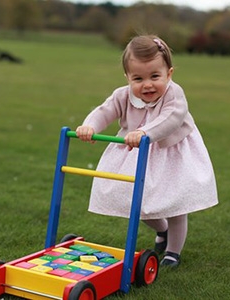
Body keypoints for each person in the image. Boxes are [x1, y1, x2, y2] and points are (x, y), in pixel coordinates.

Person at [76, 34, 218, 267]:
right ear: (128, 77)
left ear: (168, 73)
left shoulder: (174, 93)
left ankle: (173, 251)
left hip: (172, 153)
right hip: (138, 153)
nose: (147, 84)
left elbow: (171, 118)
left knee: (175, 205)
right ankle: (161, 229)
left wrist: (144, 132)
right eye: (138, 78)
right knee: (136, 203)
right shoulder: (123, 95)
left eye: (155, 76)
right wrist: (90, 125)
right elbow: (105, 110)